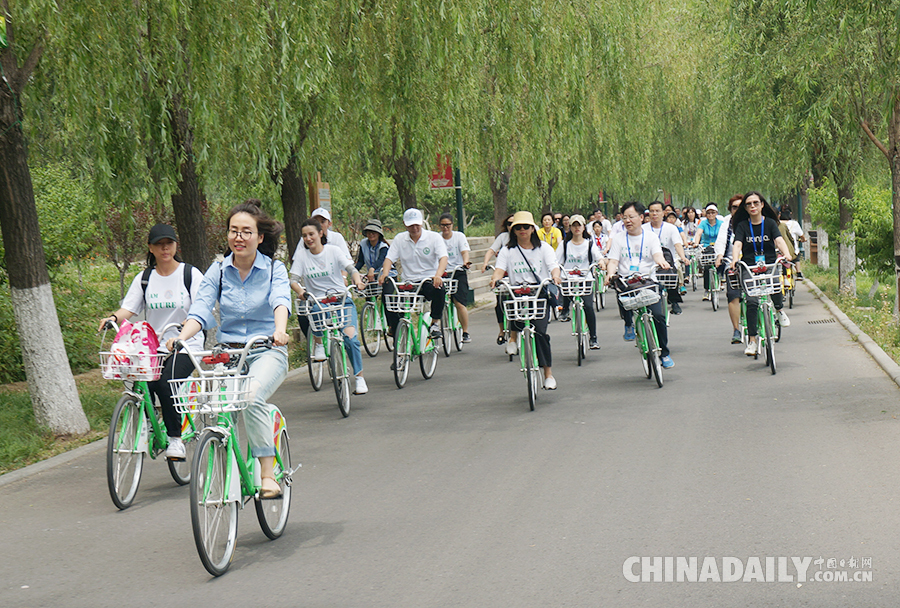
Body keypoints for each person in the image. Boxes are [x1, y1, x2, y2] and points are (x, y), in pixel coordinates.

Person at [167, 200, 291, 499]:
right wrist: (183, 337)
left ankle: (266, 472)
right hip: (228, 354)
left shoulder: (274, 269)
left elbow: (280, 301)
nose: (239, 237)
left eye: (246, 231)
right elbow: (200, 309)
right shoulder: (219, 270)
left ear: (259, 237)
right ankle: (225, 465)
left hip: (265, 350)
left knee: (250, 396)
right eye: (233, 231)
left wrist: (280, 330)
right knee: (218, 409)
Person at [99, 223, 204, 460]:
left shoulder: (190, 274)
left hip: (186, 344)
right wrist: (113, 318)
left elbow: (201, 309)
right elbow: (129, 308)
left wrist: (182, 334)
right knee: (144, 382)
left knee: (166, 382)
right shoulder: (145, 278)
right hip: (153, 347)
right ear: (150, 248)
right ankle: (147, 424)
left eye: (169, 243)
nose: (164, 248)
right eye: (159, 244)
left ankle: (175, 439)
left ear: (176, 245)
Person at [291, 218, 368, 395]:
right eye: (304, 236)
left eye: (311, 234)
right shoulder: (302, 256)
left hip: (341, 300)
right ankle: (319, 343)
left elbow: (351, 268)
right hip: (318, 302)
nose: (308, 238)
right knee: (315, 310)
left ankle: (359, 378)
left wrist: (357, 280)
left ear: (320, 233)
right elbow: (293, 280)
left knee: (351, 339)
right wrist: (301, 292)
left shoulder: (333, 251)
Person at [489, 211, 562, 389]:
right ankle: (512, 339)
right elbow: (499, 269)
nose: (523, 230)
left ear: (532, 229)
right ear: (513, 230)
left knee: (541, 334)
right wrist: (495, 278)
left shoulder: (543, 248)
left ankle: (548, 374)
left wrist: (555, 276)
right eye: (518, 227)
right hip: (518, 293)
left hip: (538, 294)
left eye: (526, 227)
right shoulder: (507, 250)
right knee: (507, 304)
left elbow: (554, 267)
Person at [605, 201, 675, 368]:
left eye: (631, 217)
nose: (628, 221)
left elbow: (657, 254)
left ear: (641, 217)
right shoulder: (618, 239)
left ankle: (664, 353)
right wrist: (610, 273)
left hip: (647, 281)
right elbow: (613, 261)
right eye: (624, 218)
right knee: (620, 293)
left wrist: (662, 263)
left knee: (658, 316)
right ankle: (629, 324)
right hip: (627, 282)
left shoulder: (650, 237)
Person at [728, 191, 793, 357]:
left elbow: (779, 240)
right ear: (746, 207)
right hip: (749, 267)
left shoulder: (770, 223)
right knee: (751, 302)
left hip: (769, 264)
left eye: (756, 203)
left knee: (775, 286)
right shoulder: (743, 226)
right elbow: (737, 244)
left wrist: (786, 254)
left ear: (762, 204)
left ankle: (779, 310)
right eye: (749, 204)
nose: (752, 206)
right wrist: (735, 260)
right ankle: (752, 340)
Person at [379, 208, 448, 342]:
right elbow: (389, 258)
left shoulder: (433, 237)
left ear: (421, 223)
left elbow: (443, 258)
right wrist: (385, 274)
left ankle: (434, 324)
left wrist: (438, 275)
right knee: (389, 298)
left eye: (417, 224)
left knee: (439, 290)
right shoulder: (400, 239)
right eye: (411, 225)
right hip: (409, 283)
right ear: (405, 224)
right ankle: (394, 327)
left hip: (428, 280)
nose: (414, 228)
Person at [557, 215, 603, 350]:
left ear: (584, 227)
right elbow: (556, 261)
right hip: (569, 278)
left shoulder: (589, 244)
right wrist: (556, 273)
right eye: (574, 225)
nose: (577, 228)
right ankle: (565, 310)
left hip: (585, 279)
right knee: (565, 289)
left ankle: (593, 337)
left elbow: (599, 257)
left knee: (588, 306)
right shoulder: (565, 245)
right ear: (570, 227)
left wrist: (601, 262)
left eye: (579, 225)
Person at [645, 201, 688, 315]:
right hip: (650, 262)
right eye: (652, 211)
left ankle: (674, 302)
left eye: (657, 211)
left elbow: (677, 244)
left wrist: (683, 257)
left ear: (663, 213)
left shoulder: (671, 228)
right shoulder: (643, 229)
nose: (655, 213)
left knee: (671, 275)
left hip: (668, 261)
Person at [438, 213, 472, 343]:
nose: (445, 228)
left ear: (452, 225)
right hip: (442, 272)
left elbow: (464, 252)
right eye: (443, 225)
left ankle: (465, 332)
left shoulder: (459, 236)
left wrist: (465, 263)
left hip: (457, 271)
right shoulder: (437, 238)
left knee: (459, 303)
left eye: (448, 225)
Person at [715, 195, 745, 343]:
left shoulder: (753, 220)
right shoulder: (726, 224)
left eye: (740, 206)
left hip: (752, 263)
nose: (737, 210)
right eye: (734, 207)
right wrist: (719, 256)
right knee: (733, 294)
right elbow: (720, 242)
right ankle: (736, 329)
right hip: (731, 263)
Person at [482, 214, 515, 344]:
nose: (511, 227)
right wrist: (485, 263)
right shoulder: (503, 238)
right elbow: (491, 250)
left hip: (517, 276)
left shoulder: (523, 238)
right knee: (500, 303)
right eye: (509, 224)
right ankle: (501, 330)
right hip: (503, 275)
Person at [695, 202, 724, 299]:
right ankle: (707, 290)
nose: (710, 215)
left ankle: (721, 276)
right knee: (707, 267)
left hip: (718, 246)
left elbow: (724, 235)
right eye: (708, 213)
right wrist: (696, 243)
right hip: (707, 247)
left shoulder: (721, 223)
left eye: (713, 212)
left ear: (716, 213)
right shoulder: (703, 223)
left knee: (722, 261)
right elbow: (698, 234)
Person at [355, 218, 394, 282]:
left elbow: (380, 260)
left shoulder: (383, 246)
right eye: (369, 232)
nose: (371, 234)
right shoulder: (363, 244)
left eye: (374, 232)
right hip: (372, 275)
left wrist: (372, 269)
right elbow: (361, 261)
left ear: (379, 233)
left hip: (386, 274)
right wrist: (354, 271)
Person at [779, 206, 805, 277]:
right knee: (796, 256)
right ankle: (798, 273)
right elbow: (802, 235)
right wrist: (803, 239)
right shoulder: (794, 223)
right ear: (790, 213)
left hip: (779, 250)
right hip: (791, 250)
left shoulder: (777, 223)